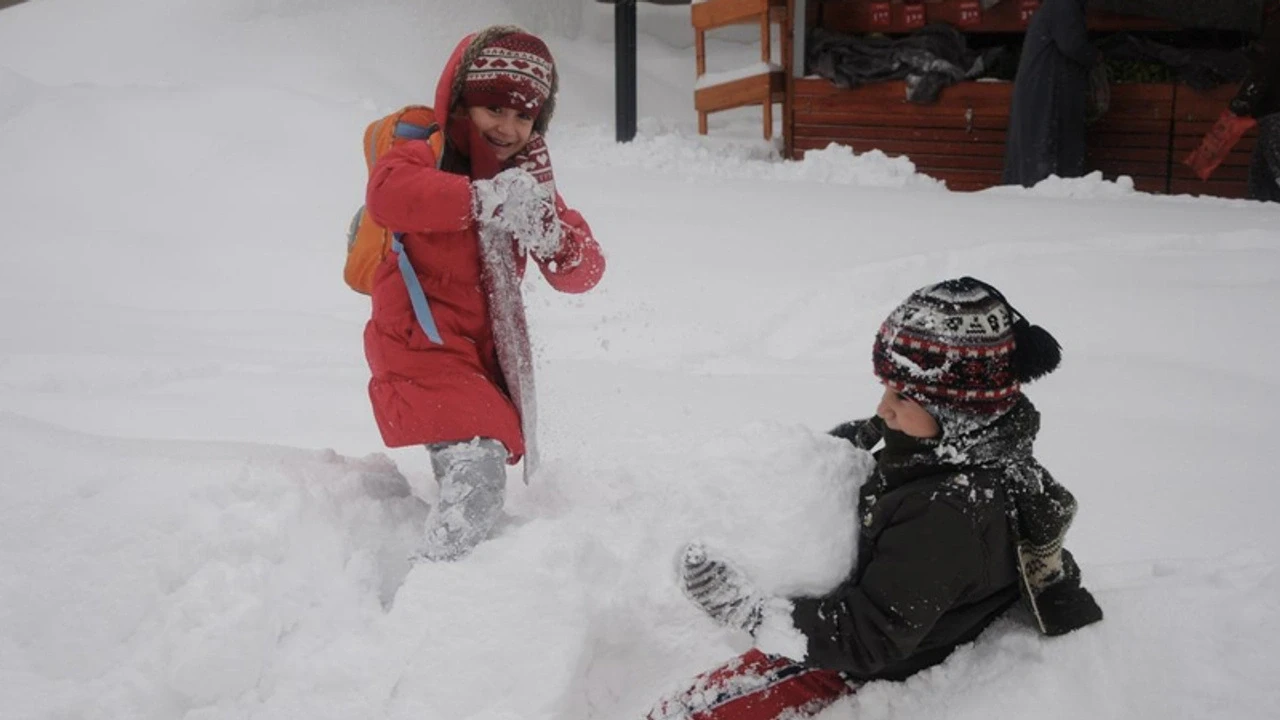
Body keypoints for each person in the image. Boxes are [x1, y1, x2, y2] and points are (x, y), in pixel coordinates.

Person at [647, 278, 1102, 720]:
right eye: (885, 387)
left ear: (959, 413)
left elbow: (867, 641)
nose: (883, 408)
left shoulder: (945, 514)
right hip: (879, 614)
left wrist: (747, 610)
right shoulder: (969, 451)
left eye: (903, 395)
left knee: (686, 714)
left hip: (853, 659)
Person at [363, 26, 606, 561]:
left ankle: (451, 571)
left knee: (473, 464)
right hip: (418, 346)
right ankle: (438, 583)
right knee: (479, 471)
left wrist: (547, 229)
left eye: (524, 116)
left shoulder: (526, 179)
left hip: (472, 358)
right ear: (462, 101)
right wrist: (482, 200)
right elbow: (387, 195)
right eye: (493, 108)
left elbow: (584, 271)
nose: (508, 126)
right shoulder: (424, 148)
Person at [1002, 0, 1099, 187]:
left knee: (1035, 157)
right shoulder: (1064, 4)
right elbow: (1072, 44)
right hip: (1047, 93)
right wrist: (1094, 56)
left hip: (1042, 91)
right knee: (1045, 159)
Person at [1230, 5, 1280, 201]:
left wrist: (1244, 100)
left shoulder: (1276, 25)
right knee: (1262, 176)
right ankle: (1259, 216)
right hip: (1271, 110)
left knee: (1268, 174)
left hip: (1274, 110)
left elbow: (1265, 67)